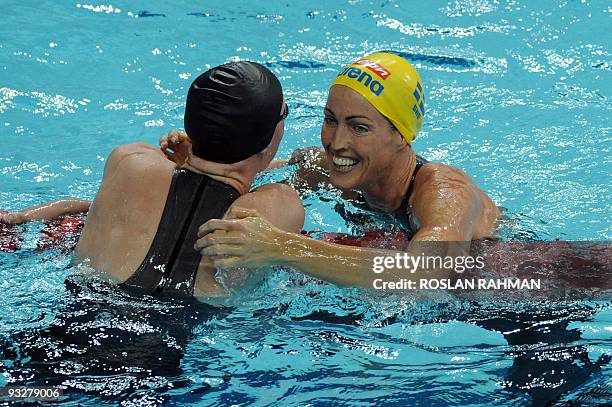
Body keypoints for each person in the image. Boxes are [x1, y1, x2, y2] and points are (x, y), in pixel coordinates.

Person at [183, 52, 501, 286]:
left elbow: (426, 273)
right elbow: (252, 175)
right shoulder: (327, 171)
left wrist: (280, 246)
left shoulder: (445, 192)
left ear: (402, 135)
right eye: (331, 120)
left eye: (359, 128)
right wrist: (197, 160)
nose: (336, 143)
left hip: (508, 298)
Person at [0, 61, 304, 299]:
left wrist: (189, 160)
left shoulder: (130, 161)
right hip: (161, 356)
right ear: (267, 140)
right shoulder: (279, 203)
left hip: (79, 311)